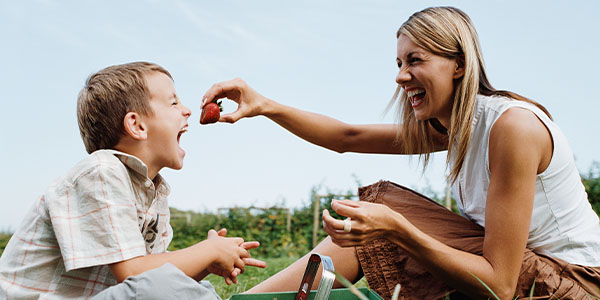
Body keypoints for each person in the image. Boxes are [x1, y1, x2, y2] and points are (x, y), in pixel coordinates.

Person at [200, 7, 600, 300]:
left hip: (574, 284)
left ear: (458, 65)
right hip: (528, 271)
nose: (400, 75)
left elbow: (501, 284)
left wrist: (398, 229)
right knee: (370, 223)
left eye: (415, 60)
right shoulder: (455, 127)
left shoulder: (512, 128)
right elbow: (348, 136)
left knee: (388, 219)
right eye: (398, 62)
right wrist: (266, 105)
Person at [0, 62, 266, 299]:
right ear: (137, 126)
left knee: (179, 287)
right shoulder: (101, 172)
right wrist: (207, 251)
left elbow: (151, 280)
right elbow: (135, 277)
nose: (186, 111)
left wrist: (205, 264)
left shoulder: (155, 193)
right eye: (173, 102)